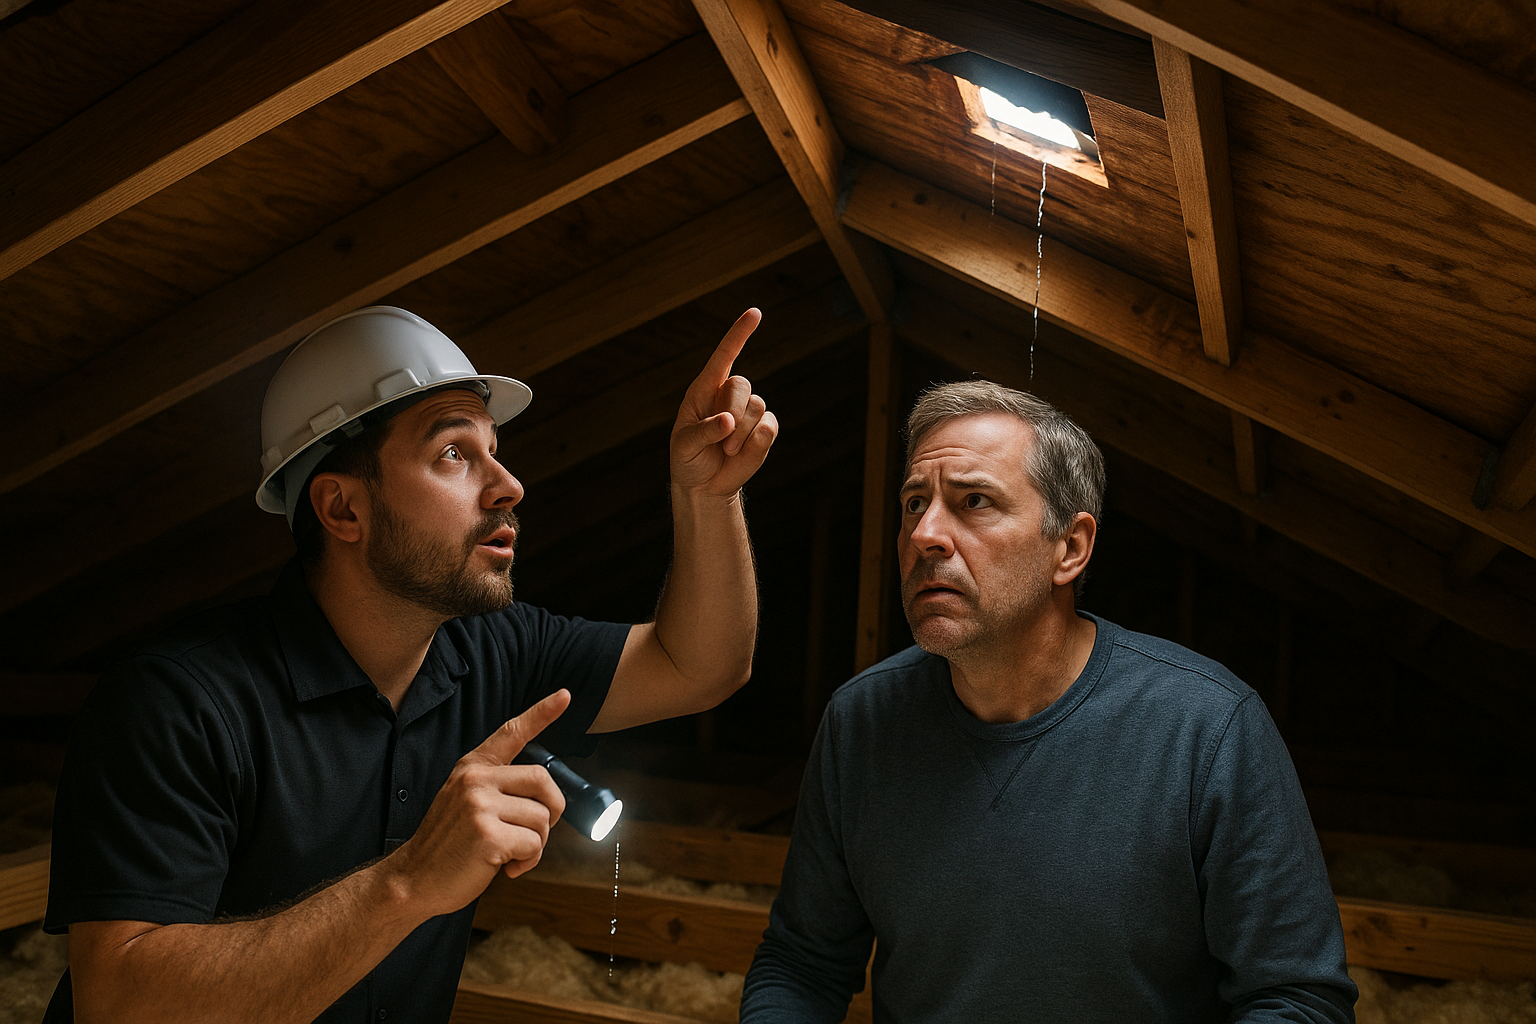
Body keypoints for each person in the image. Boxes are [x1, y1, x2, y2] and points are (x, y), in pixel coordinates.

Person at [43, 305, 778, 1024]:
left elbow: (699, 665)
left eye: (494, 448)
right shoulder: (177, 703)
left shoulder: (493, 648)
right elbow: (115, 1003)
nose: (509, 485)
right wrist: (408, 882)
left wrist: (710, 497)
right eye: (455, 453)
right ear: (342, 510)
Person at [741, 381, 1356, 1023]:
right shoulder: (861, 724)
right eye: (914, 503)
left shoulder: (1207, 728)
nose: (925, 534)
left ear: (1069, 547)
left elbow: (1296, 998)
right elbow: (802, 965)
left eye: (973, 501)